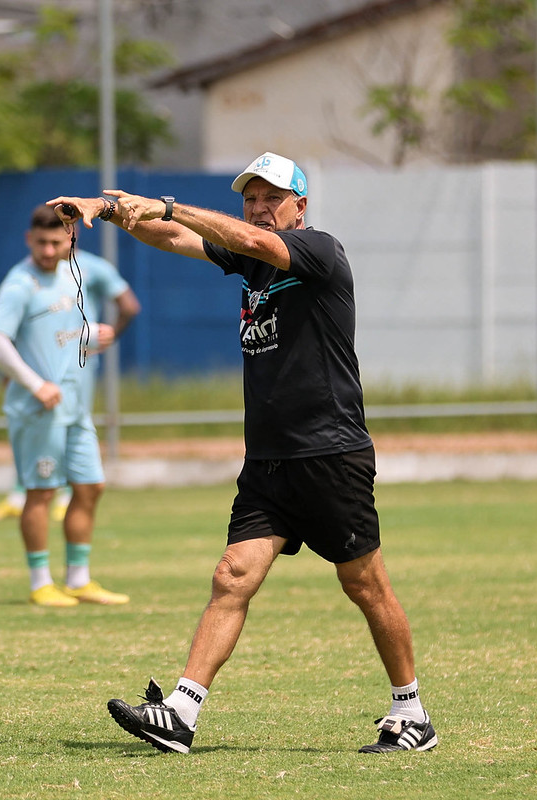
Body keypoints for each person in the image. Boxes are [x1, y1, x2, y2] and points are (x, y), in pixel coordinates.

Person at [46, 151, 437, 753]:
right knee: (232, 577)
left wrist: (169, 203)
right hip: (270, 462)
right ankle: (180, 712)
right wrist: (113, 209)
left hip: (330, 455)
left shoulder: (318, 252)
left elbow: (210, 227)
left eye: (272, 197)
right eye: (250, 199)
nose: (259, 207)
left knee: (365, 586)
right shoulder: (251, 263)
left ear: (300, 207)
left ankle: (410, 712)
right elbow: (175, 235)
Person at [0, 204, 134, 608]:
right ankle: (40, 582)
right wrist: (35, 384)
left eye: (56, 243)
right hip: (38, 408)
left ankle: (79, 579)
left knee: (90, 487)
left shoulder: (73, 274)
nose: (48, 251)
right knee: (42, 492)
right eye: (41, 243)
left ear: (70, 241)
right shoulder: (20, 283)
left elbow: (58, 334)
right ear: (29, 240)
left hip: (75, 406)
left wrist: (92, 336)